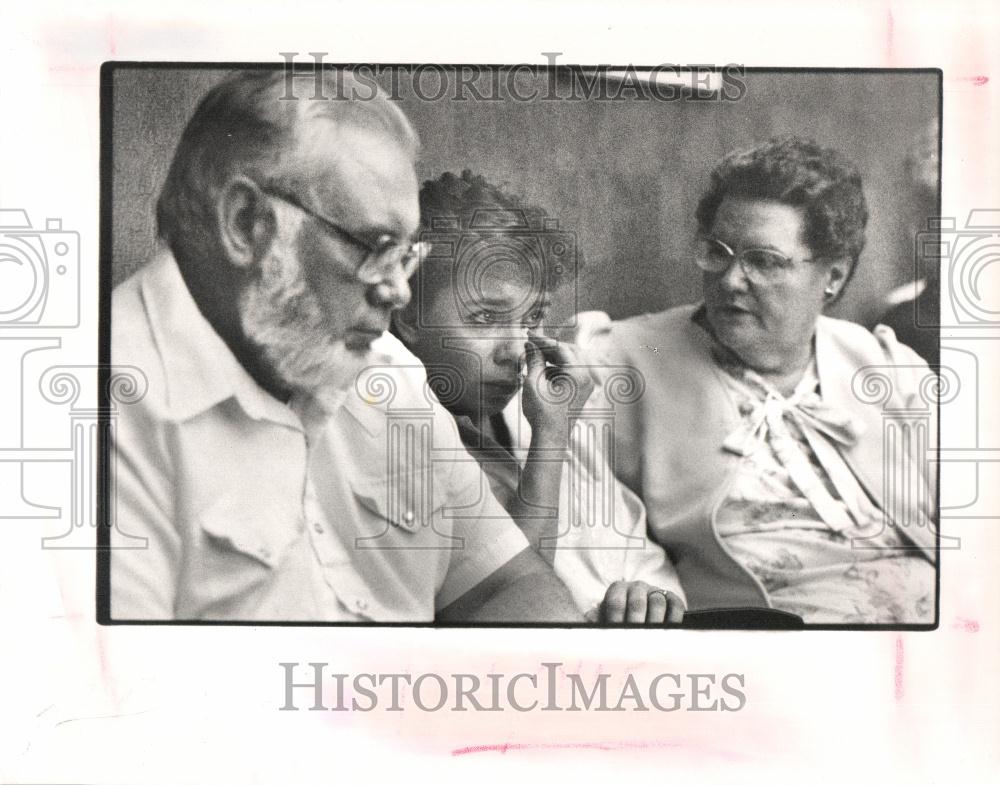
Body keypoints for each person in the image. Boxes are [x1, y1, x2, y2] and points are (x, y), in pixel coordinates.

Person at [109, 71, 580, 622]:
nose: (398, 291)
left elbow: (514, 583)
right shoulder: (100, 408)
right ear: (246, 224)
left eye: (406, 257)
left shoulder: (392, 369)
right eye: (376, 247)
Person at [587, 137, 938, 624]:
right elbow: (585, 515)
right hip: (776, 634)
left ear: (833, 276)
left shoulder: (885, 366)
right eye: (719, 252)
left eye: (764, 261)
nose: (731, 279)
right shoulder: (618, 363)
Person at [392, 170, 686, 624]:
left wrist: (651, 597)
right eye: (486, 318)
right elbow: (507, 600)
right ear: (409, 314)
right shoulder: (406, 439)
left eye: (532, 319)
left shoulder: (546, 412)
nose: (516, 349)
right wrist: (551, 439)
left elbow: (642, 559)